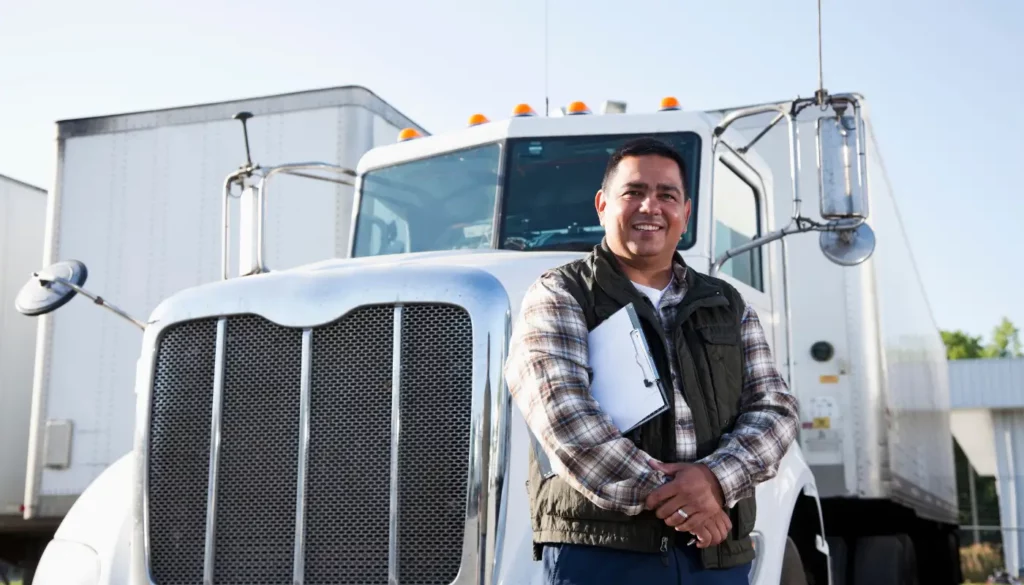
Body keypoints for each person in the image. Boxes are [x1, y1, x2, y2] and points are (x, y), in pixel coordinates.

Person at [504, 137, 800, 584]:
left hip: (716, 554)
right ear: (603, 205)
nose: (650, 207)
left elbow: (775, 410)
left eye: (666, 195)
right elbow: (563, 417)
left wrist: (716, 481)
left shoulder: (728, 303)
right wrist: (685, 502)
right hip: (604, 554)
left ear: (686, 211)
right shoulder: (559, 294)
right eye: (634, 192)